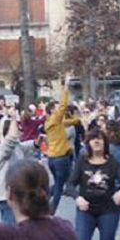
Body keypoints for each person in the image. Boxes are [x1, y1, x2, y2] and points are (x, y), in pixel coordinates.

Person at [46, 76, 82, 212]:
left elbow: (68, 122)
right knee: (64, 185)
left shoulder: (52, 122)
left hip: (52, 158)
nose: (59, 109)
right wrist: (65, 87)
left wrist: (78, 119)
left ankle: (43, 200)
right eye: (55, 108)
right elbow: (62, 106)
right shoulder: (55, 118)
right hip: (61, 158)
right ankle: (50, 211)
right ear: (51, 111)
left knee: (58, 185)